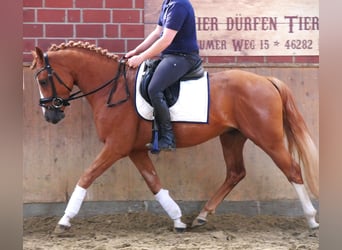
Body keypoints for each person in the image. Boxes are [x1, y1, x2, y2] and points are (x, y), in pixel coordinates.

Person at [126, 0, 201, 151]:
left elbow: (166, 39)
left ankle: (168, 137)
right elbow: (156, 33)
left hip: (183, 57)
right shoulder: (168, 3)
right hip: (171, 56)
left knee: (154, 88)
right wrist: (136, 51)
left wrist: (141, 58)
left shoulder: (179, 5)